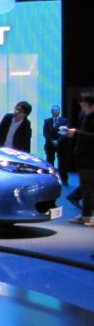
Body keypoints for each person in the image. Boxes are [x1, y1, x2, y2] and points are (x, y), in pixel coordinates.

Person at [63, 91, 94, 226]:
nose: (83, 109)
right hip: (82, 158)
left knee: (89, 189)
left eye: (85, 106)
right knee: (85, 188)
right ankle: (85, 215)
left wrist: (76, 132)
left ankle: (88, 216)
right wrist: (73, 134)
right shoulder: (85, 115)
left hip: (90, 159)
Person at [42, 105, 69, 170]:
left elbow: (64, 132)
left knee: (62, 162)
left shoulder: (64, 120)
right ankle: (50, 174)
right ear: (51, 112)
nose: (54, 111)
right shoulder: (47, 121)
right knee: (50, 161)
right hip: (50, 145)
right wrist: (52, 141)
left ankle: (63, 175)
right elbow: (46, 133)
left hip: (61, 144)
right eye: (53, 110)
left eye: (56, 110)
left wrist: (58, 141)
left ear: (59, 111)